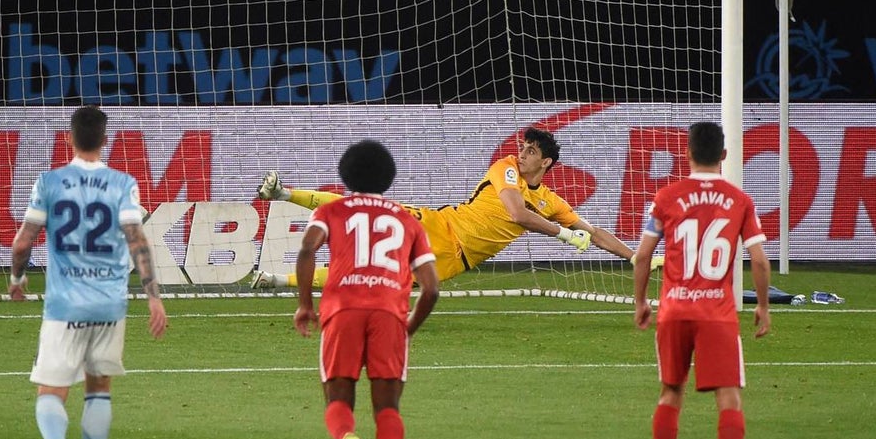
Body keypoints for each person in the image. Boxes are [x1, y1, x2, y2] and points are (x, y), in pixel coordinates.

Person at [252, 126, 660, 288]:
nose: (521, 154)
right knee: (366, 205)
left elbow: (595, 232)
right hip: (440, 224)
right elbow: (516, 213)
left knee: (374, 277)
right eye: (522, 147)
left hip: (454, 259)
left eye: (530, 151)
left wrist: (636, 257)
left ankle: (275, 280)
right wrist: (563, 234)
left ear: (546, 163)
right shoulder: (506, 168)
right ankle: (283, 193)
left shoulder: (551, 201)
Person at [7, 106, 167, 439]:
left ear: (69, 139)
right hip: (109, 305)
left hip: (65, 305)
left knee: (51, 391)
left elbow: (23, 242)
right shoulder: (122, 184)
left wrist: (17, 279)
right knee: (99, 390)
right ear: (105, 140)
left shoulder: (49, 182)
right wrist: (153, 295)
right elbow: (137, 240)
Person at [632, 121, 771, 439]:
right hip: (717, 314)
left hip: (674, 309)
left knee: (670, 392)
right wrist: (762, 306)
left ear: (687, 153)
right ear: (724, 155)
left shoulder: (666, 197)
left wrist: (640, 302)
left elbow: (642, 256)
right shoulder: (740, 200)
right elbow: (760, 261)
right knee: (729, 396)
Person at [293, 139, 440, 439]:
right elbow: (432, 288)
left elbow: (307, 248)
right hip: (389, 313)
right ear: (389, 177)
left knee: (338, 397)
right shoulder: (407, 220)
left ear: (344, 175)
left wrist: (305, 304)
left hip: (342, 310)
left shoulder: (331, 211)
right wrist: (408, 329)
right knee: (387, 406)